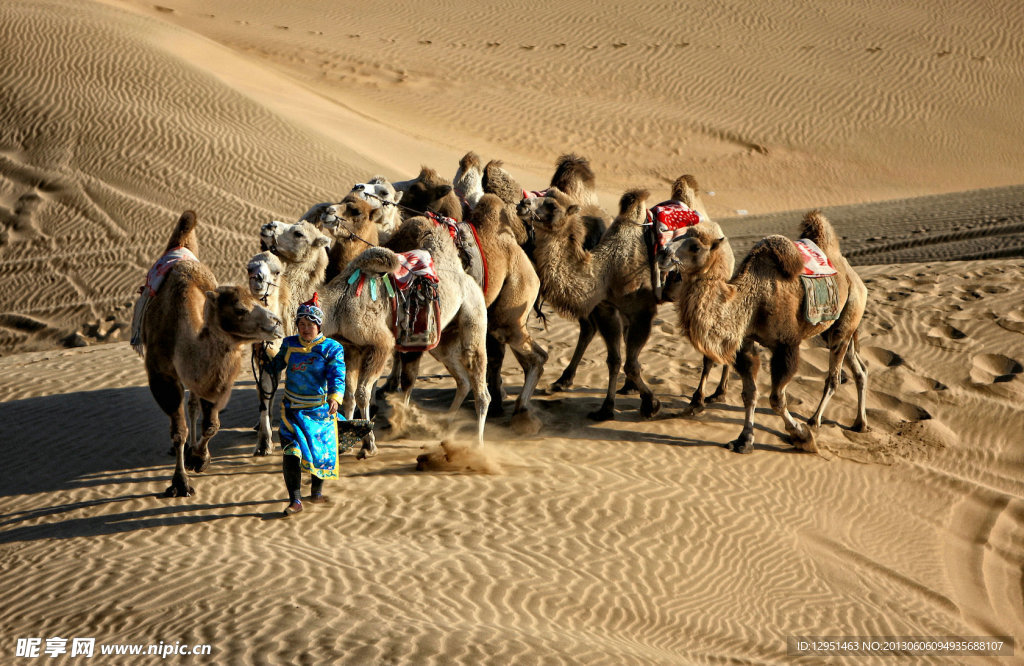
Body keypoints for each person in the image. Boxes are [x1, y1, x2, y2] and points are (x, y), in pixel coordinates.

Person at [269, 293, 346, 516]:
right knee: (291, 452)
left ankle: (317, 492)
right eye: (300, 324)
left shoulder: (332, 348)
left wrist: (335, 397)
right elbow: (275, 367)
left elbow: (337, 374)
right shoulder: (289, 344)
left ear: (319, 325)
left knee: (319, 453)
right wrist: (264, 353)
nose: (304, 328)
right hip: (291, 411)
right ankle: (295, 499)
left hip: (320, 412)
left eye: (309, 324)